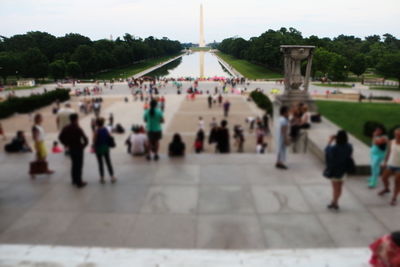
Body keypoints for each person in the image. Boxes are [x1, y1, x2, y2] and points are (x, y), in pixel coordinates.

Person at [324, 130, 353, 211]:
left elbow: (327, 150)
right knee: (340, 188)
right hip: (344, 169)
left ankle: (334, 202)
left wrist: (330, 140)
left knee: (335, 188)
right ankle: (335, 202)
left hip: (335, 170)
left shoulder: (334, 148)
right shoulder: (349, 146)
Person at [59, 113, 89, 188]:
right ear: (76, 119)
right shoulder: (78, 128)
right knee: (79, 165)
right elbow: (85, 139)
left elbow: (60, 137)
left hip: (71, 148)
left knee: (74, 164)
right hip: (78, 148)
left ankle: (74, 180)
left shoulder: (66, 127)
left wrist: (66, 144)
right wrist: (83, 146)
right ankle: (79, 181)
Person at [378, 128, 400, 206]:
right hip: (391, 164)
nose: (397, 136)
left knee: (397, 182)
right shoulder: (391, 142)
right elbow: (388, 152)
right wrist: (385, 162)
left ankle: (394, 198)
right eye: (396, 134)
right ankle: (387, 188)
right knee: (384, 178)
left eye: (398, 134)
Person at [93, 118, 116, 184]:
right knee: (108, 162)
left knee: (100, 163)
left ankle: (102, 178)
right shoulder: (105, 129)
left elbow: (94, 140)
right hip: (106, 147)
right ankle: (112, 177)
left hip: (98, 148)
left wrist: (94, 145)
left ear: (97, 124)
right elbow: (109, 136)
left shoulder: (96, 131)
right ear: (103, 123)